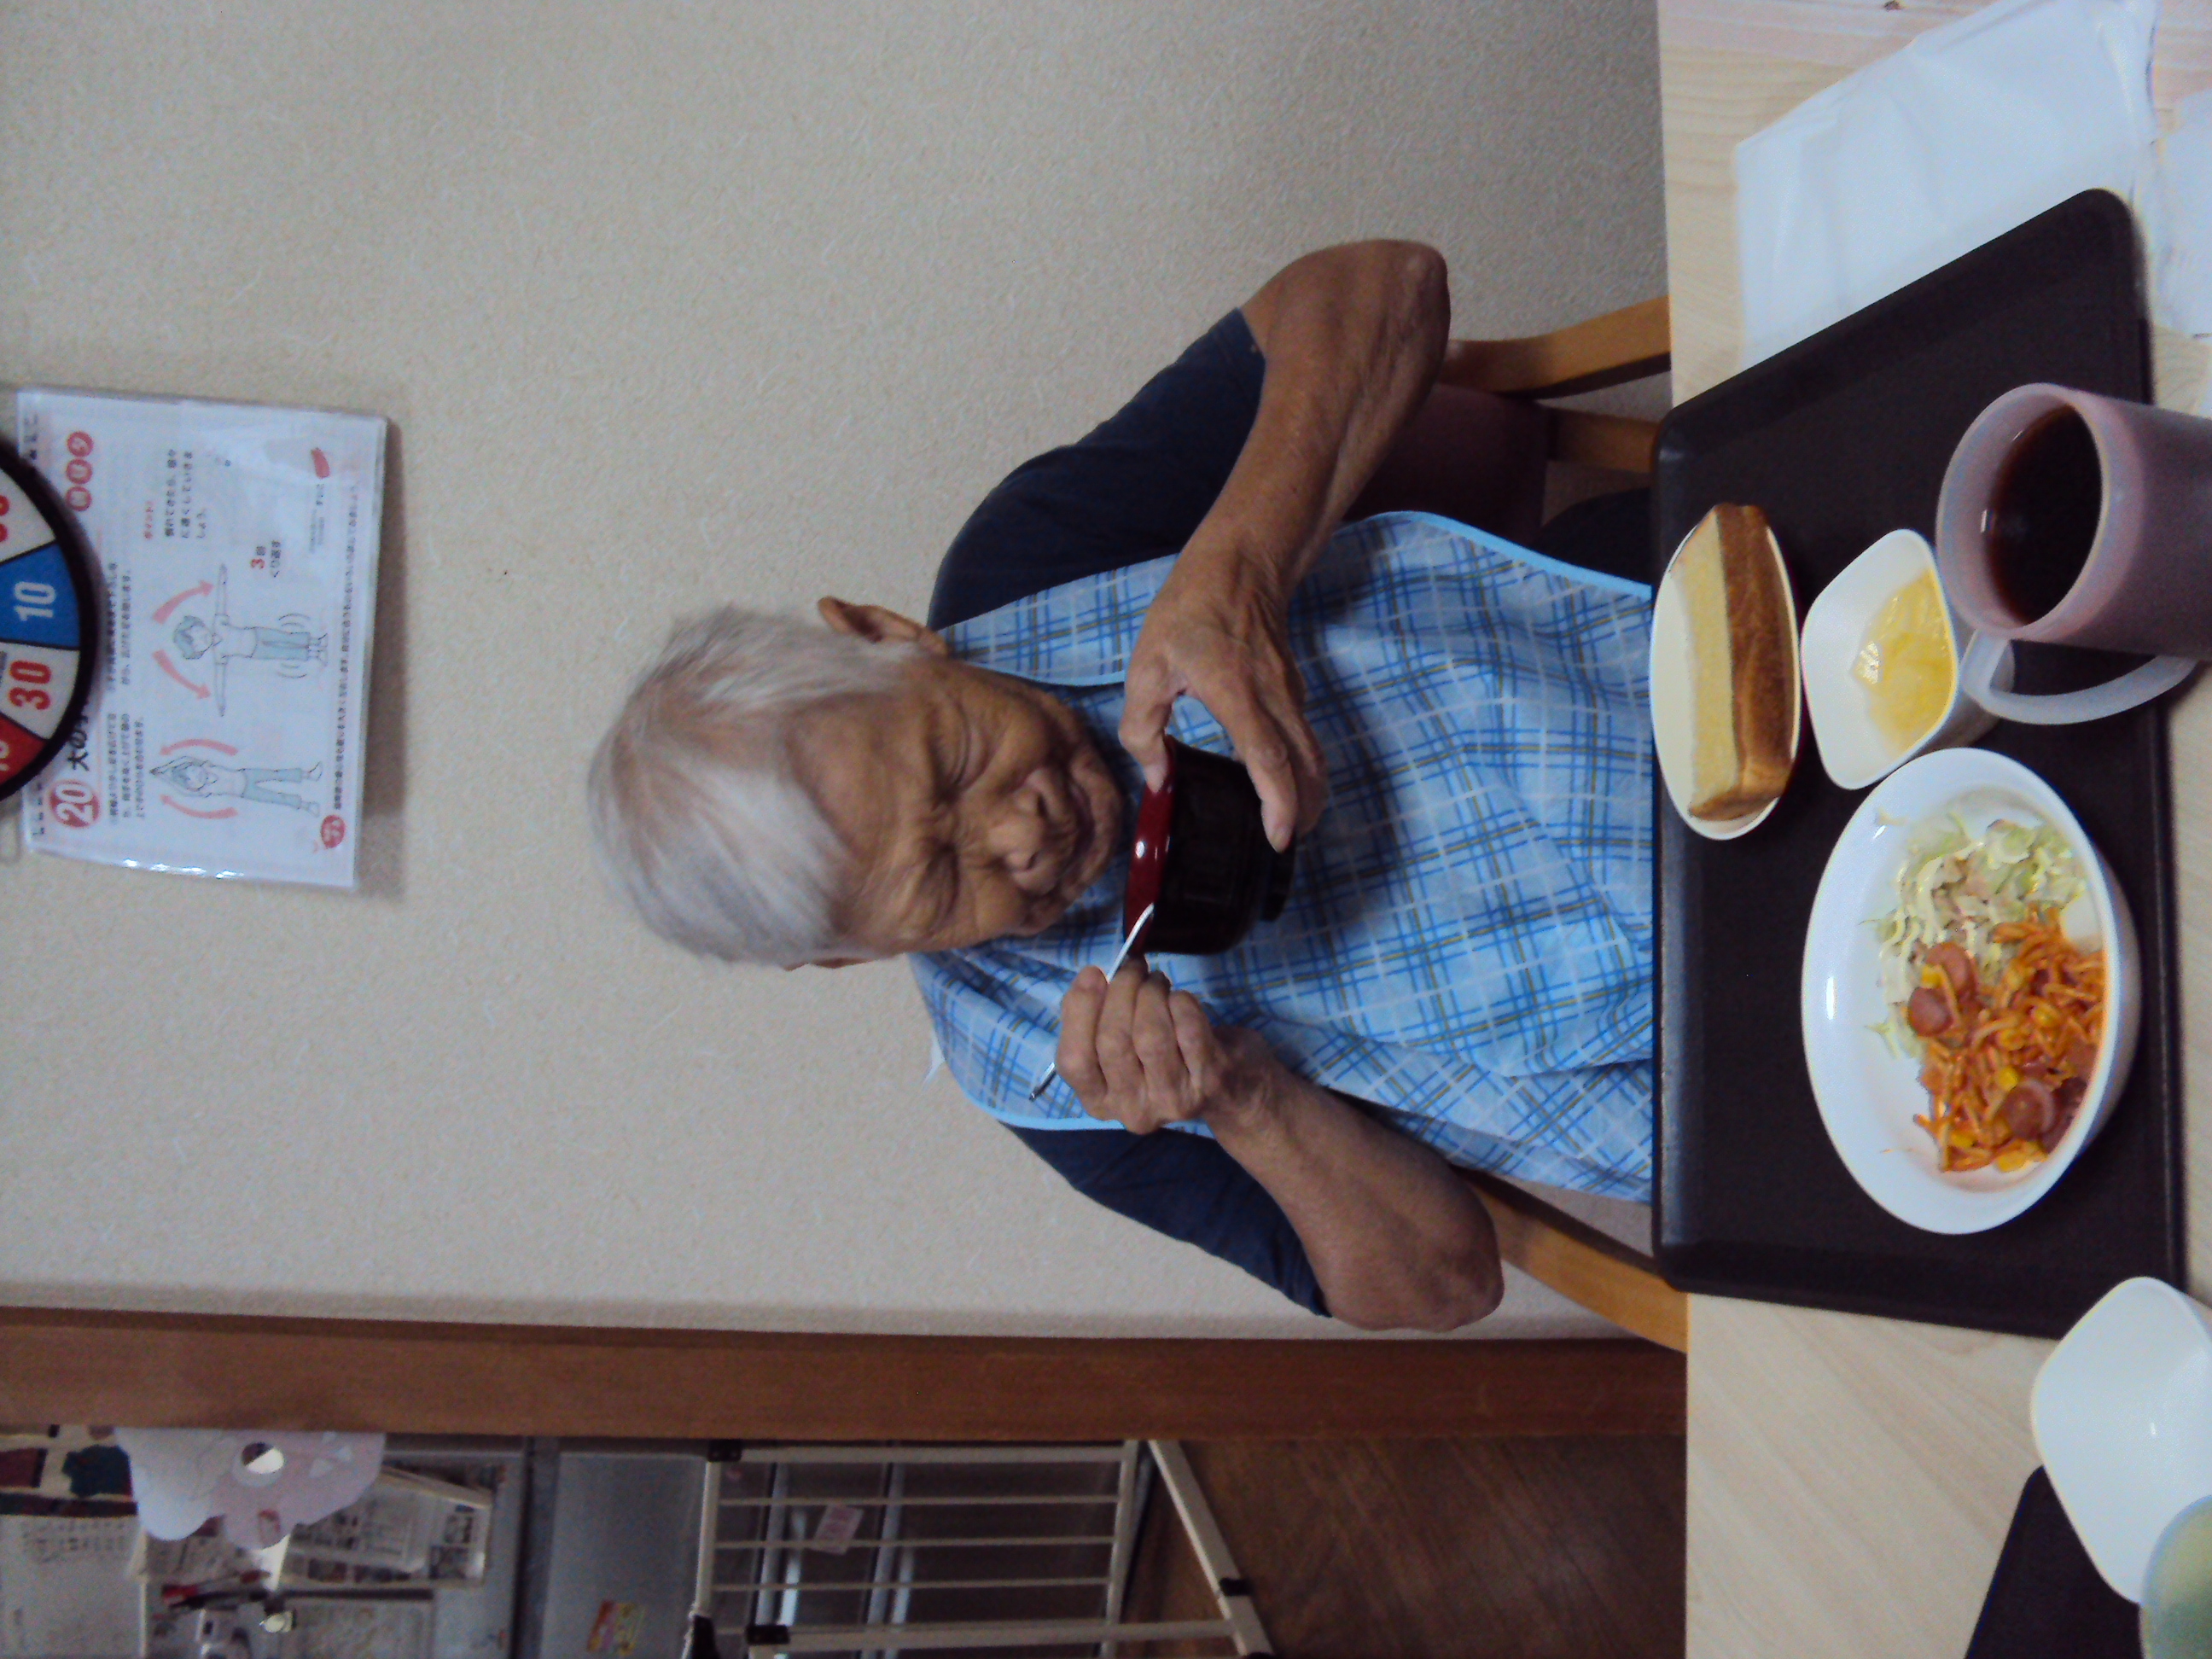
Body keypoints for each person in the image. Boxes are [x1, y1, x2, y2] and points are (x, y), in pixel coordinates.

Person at [590, 242, 1656, 1330]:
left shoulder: (1029, 567)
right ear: (850, 953)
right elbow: (1446, 1286)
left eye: (957, 759)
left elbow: (1390, 286)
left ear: (886, 637)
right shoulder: (1043, 1069)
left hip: (1655, 670)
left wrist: (1239, 568)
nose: (1020, 833)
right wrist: (1242, 1096)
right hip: (1708, 1042)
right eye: (943, 882)